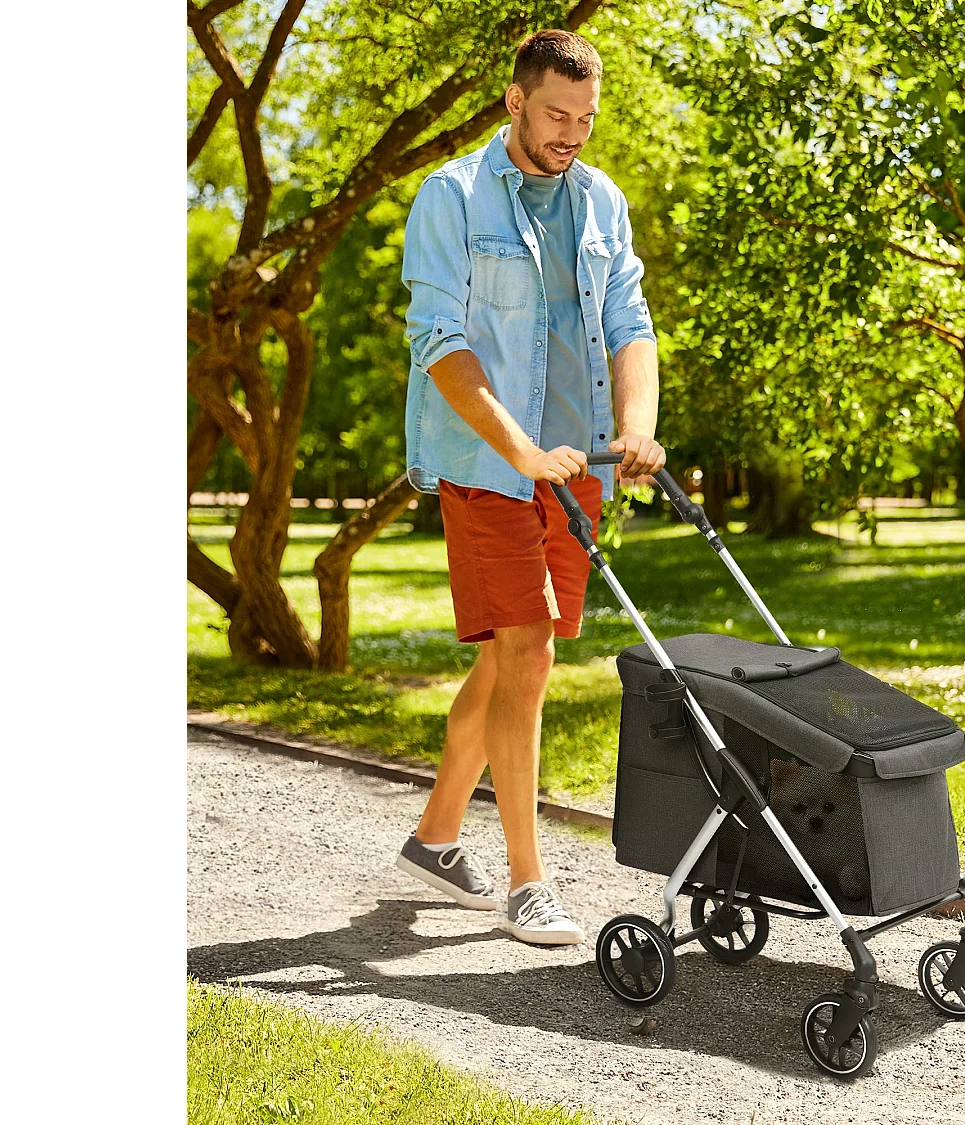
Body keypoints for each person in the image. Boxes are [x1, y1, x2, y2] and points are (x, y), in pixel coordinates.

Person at [394, 28, 664, 945]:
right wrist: (518, 451)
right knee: (531, 653)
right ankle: (527, 879)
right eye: (558, 115)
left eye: (587, 119)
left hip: (576, 466)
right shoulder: (453, 197)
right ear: (515, 101)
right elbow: (441, 343)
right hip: (487, 465)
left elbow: (630, 320)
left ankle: (435, 837)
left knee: (511, 653)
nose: (573, 135)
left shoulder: (600, 202)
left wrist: (635, 424)